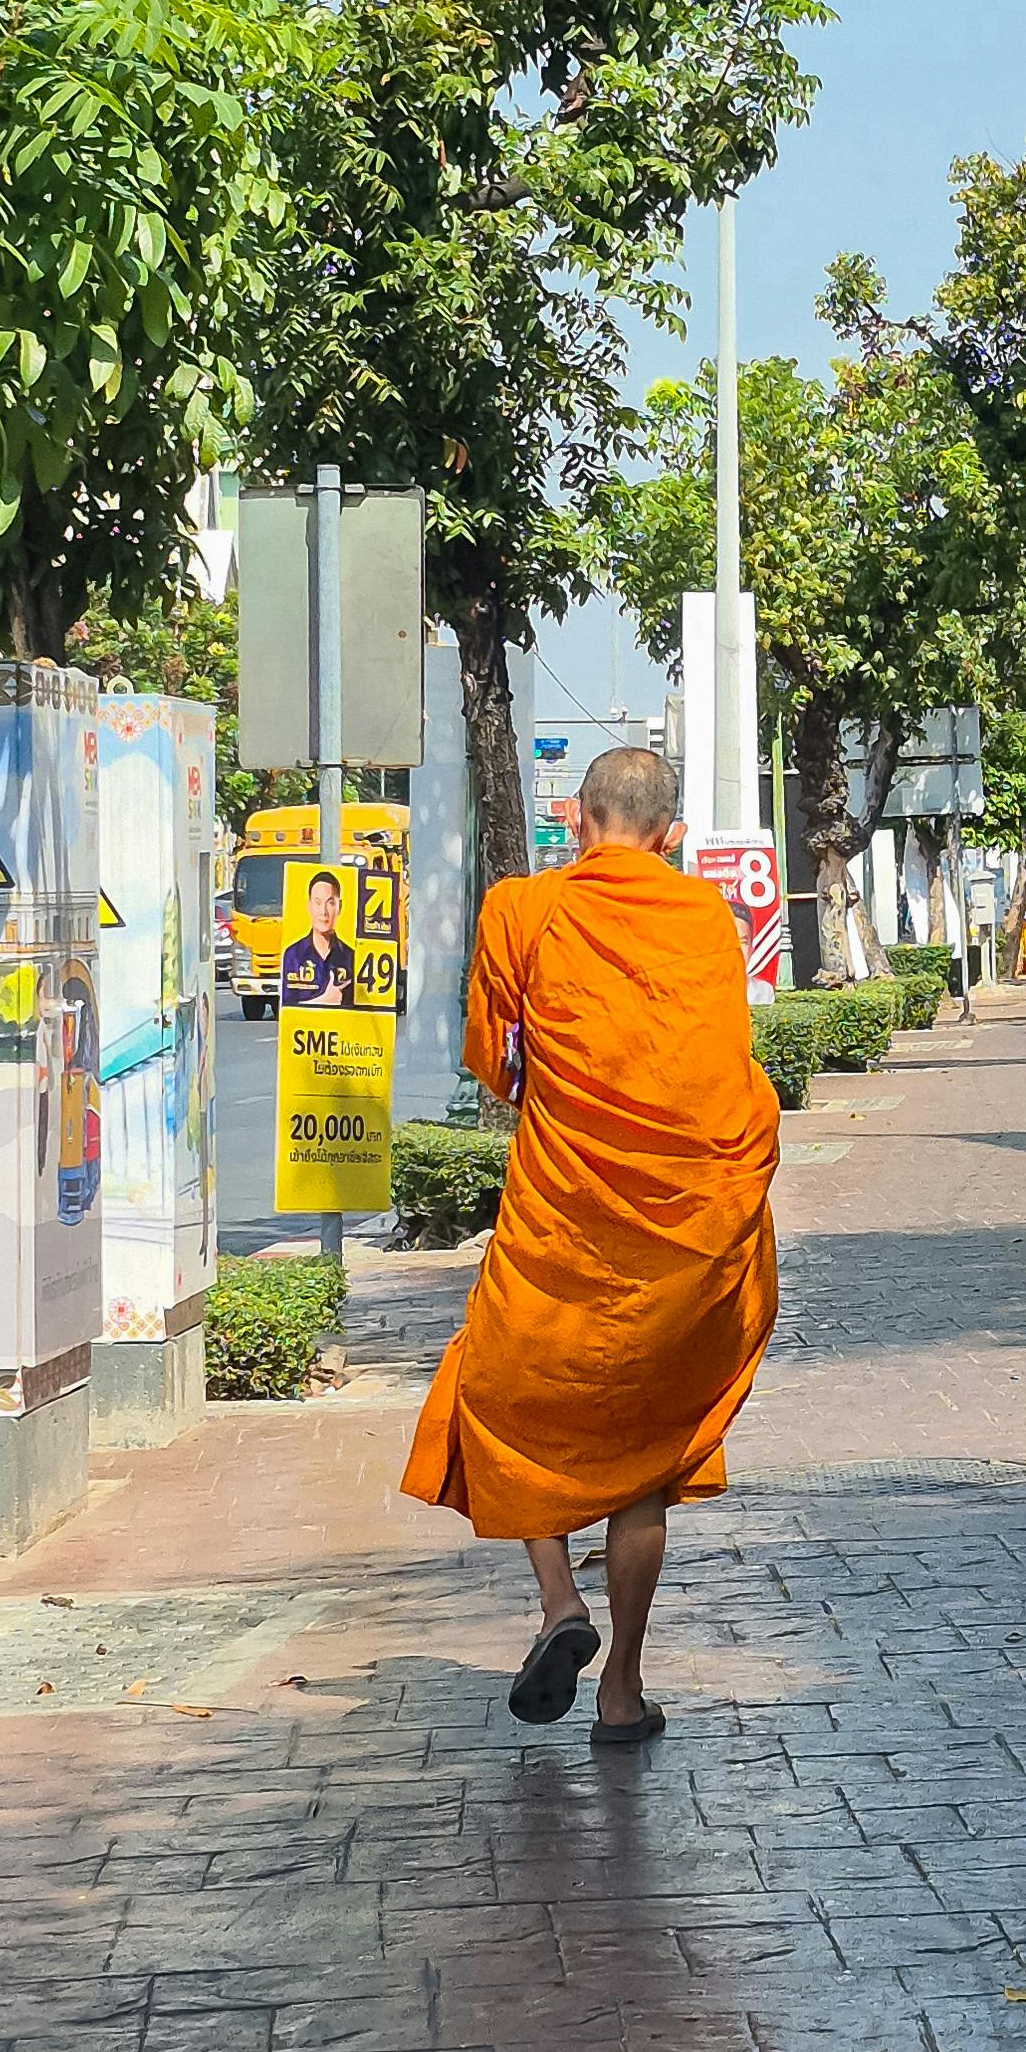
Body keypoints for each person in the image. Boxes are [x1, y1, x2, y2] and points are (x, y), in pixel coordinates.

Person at [401, 743, 779, 1743]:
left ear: (574, 818)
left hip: (558, 1228)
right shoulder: (706, 918)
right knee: (645, 1461)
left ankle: (558, 1605)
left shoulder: (521, 913)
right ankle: (623, 1690)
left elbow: (496, 1062)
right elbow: (724, 1077)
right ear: (669, 837)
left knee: (493, 1402)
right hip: (677, 1247)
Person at [280, 868, 358, 1009]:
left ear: (340, 907)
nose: (324, 912)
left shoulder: (352, 958)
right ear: (309, 906)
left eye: (330, 903)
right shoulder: (293, 955)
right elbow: (287, 1011)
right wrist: (324, 1001)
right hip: (304, 1030)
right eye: (318, 902)